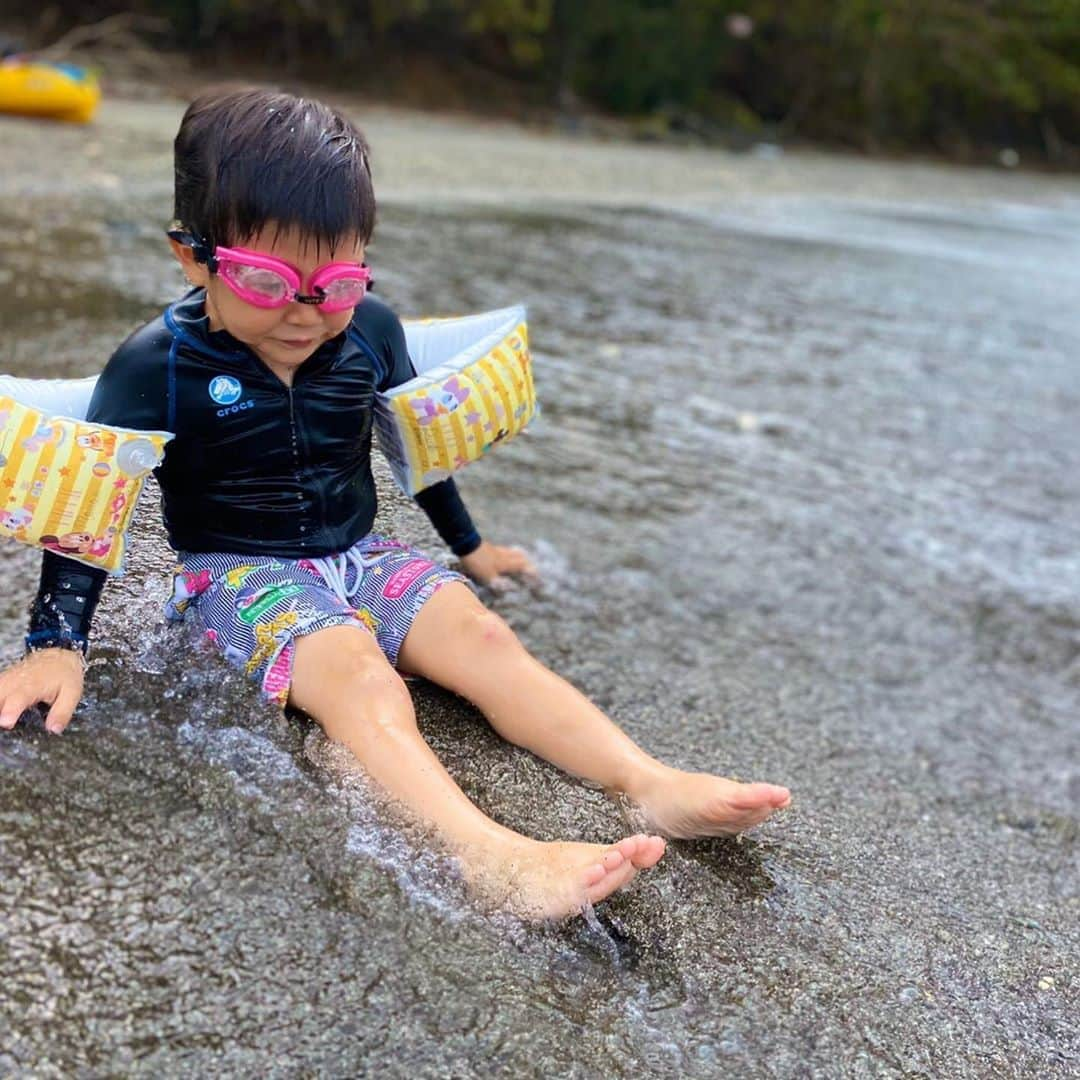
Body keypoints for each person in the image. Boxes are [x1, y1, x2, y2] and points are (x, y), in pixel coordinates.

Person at [0, 87, 790, 919]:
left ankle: (649, 784)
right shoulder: (154, 365)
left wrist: (471, 548)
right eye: (268, 282)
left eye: (334, 283)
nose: (307, 315)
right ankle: (492, 858)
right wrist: (57, 643)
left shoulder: (370, 332)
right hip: (234, 573)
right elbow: (90, 503)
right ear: (194, 258)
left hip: (359, 555)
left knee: (483, 635)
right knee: (361, 679)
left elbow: (421, 449)